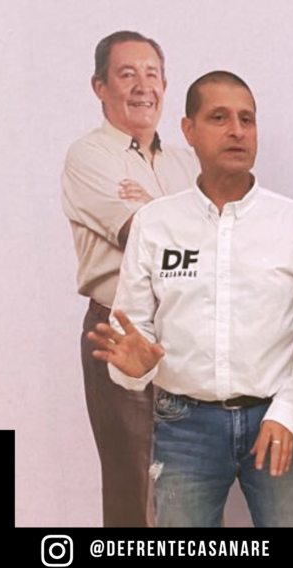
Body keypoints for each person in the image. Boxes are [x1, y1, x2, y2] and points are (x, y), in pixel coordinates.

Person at [88, 71, 293, 527]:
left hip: (276, 419)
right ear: (188, 129)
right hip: (183, 427)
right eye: (219, 118)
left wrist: (288, 412)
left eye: (247, 120)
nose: (237, 130)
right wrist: (134, 369)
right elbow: (132, 330)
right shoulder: (155, 223)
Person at [61, 30, 198, 527]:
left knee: (192, 484)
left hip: (186, 329)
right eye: (127, 74)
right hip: (121, 331)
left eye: (152, 74)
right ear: (99, 87)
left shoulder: (186, 160)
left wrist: (153, 209)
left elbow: (219, 240)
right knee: (135, 488)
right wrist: (175, 219)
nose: (143, 86)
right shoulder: (89, 157)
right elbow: (143, 237)